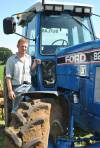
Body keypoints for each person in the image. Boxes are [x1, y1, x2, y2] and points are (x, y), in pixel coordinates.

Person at [6, 38, 41, 112]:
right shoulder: (11, 60)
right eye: (22, 46)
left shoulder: (29, 58)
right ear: (17, 46)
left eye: (25, 47)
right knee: (16, 109)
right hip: (17, 87)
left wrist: (35, 64)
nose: (24, 48)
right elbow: (8, 77)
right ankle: (14, 122)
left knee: (34, 106)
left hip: (29, 87)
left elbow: (30, 71)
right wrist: (10, 91)